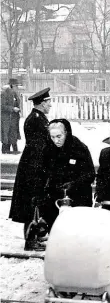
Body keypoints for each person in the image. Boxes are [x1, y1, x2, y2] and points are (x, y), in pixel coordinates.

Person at [9, 88, 52, 251]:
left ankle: (35, 236)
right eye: (48, 103)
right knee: (32, 203)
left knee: (35, 202)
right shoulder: (36, 120)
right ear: (42, 103)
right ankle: (30, 240)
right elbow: (40, 147)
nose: (50, 106)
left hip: (33, 165)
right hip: (33, 167)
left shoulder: (38, 118)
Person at [42, 119, 95, 229]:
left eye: (59, 136)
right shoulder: (48, 149)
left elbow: (90, 174)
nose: (56, 140)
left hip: (78, 195)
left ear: (66, 133)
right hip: (56, 195)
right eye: (53, 137)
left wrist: (74, 183)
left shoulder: (79, 148)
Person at [1, 78, 21, 154]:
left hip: (14, 119)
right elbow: (2, 106)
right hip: (7, 119)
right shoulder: (4, 93)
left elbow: (17, 103)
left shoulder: (15, 93)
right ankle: (5, 152)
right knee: (6, 136)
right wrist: (12, 109)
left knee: (14, 135)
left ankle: (14, 151)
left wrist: (19, 109)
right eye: (16, 86)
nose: (17, 87)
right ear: (12, 85)